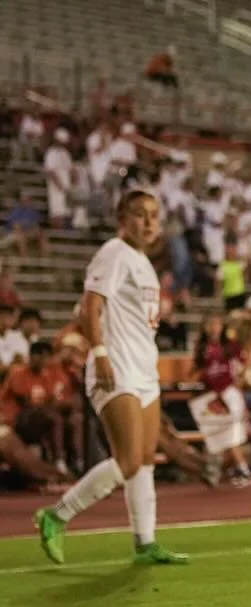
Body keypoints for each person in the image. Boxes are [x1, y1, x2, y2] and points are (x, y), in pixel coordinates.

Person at [33, 190, 189, 565]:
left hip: (143, 371)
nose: (149, 222)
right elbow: (89, 306)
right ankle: (56, 515)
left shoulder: (143, 262)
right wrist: (100, 353)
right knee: (128, 461)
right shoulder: (114, 252)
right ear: (122, 216)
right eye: (139, 214)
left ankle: (145, 540)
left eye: (154, 215)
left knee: (146, 460)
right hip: (115, 366)